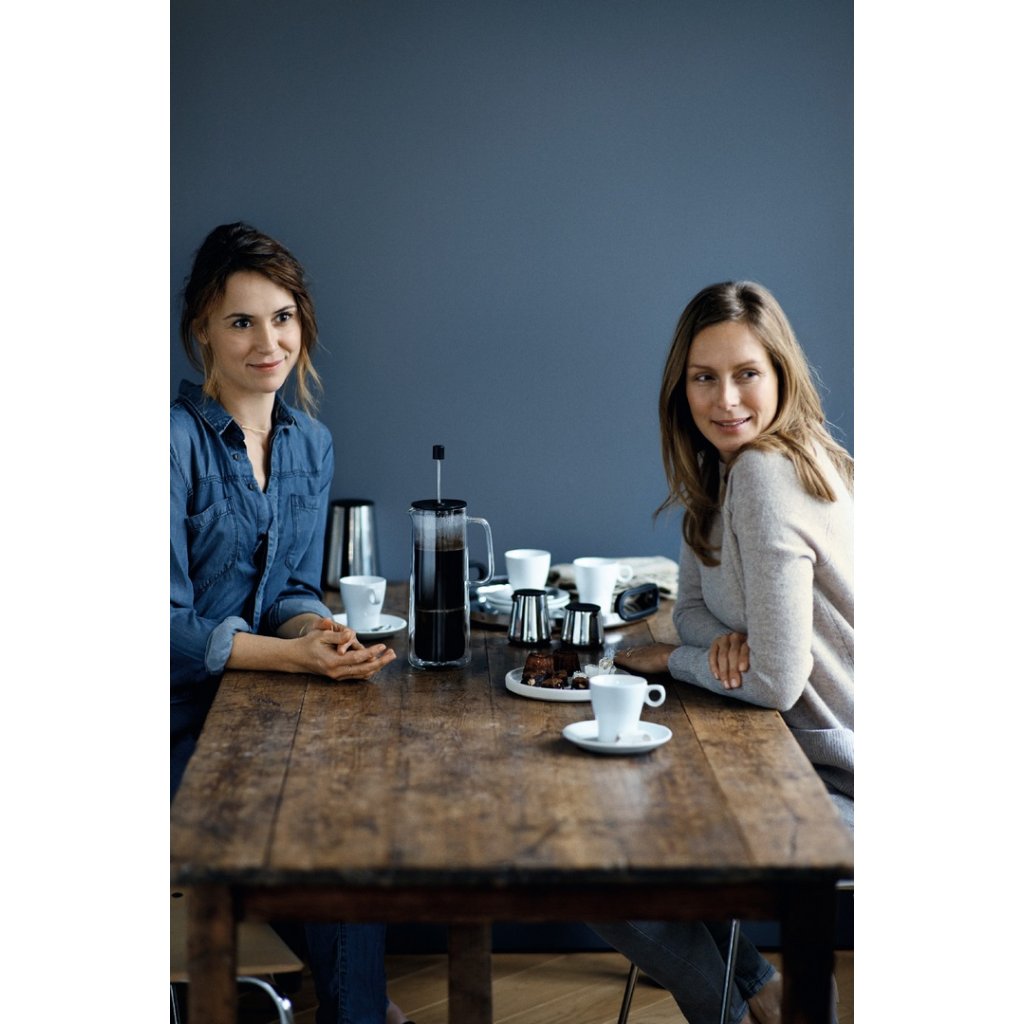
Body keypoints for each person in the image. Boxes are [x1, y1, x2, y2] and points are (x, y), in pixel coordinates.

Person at [589, 281, 853, 1024]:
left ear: (781, 375)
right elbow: (693, 612)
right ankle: (762, 992)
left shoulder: (767, 474)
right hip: (772, 750)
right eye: (704, 377)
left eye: (746, 374)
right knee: (612, 822)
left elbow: (774, 680)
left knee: (590, 864)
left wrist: (672, 660)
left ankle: (733, 1011)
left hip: (833, 774)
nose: (725, 398)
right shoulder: (724, 470)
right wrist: (724, 646)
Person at [170, 222, 408, 1024]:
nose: (267, 342)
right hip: (177, 730)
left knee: (355, 796)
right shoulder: (168, 443)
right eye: (241, 321)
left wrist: (314, 630)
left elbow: (293, 587)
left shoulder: (311, 443)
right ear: (203, 330)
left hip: (260, 713)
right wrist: (294, 659)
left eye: (281, 318)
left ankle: (357, 1004)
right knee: (327, 817)